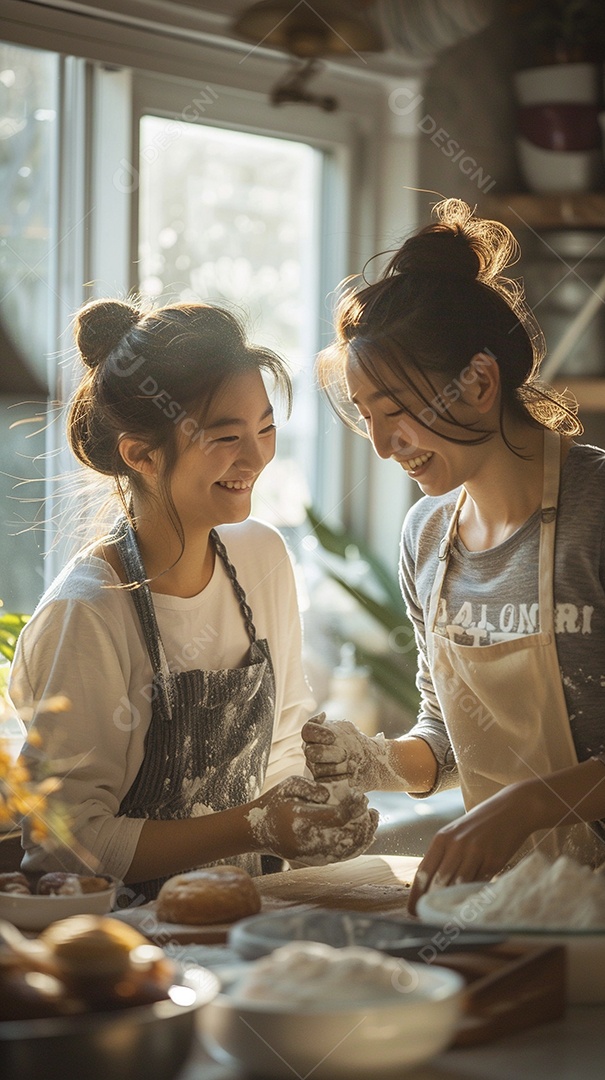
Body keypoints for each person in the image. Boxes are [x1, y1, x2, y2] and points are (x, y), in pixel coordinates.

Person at [9, 299, 377, 902]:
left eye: (265, 428)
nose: (256, 458)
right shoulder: (90, 610)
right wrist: (254, 825)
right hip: (138, 939)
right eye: (227, 436)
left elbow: (284, 744)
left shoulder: (263, 558)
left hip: (245, 920)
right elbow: (63, 843)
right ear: (140, 455)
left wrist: (314, 814)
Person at [302, 198, 605, 913]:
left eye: (394, 410)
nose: (380, 445)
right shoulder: (427, 537)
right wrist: (370, 761)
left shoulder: (596, 510)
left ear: (476, 381)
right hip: (520, 905)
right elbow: (444, 734)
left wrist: (529, 804)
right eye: (365, 417)